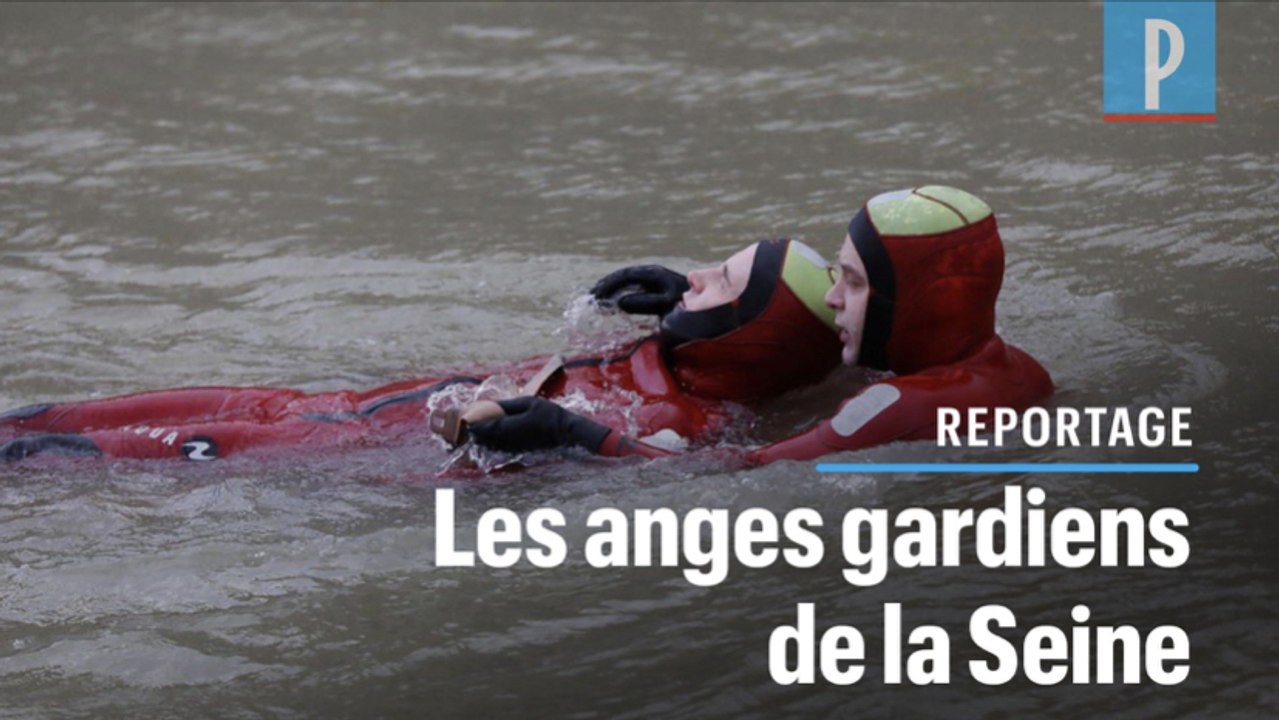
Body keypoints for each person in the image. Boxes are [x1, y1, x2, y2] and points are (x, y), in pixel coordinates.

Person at [0, 238, 842, 462]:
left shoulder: (684, 420)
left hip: (336, 450)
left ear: (748, 332)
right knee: (56, 414)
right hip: (319, 406)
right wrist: (623, 303)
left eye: (715, 282)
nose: (688, 276)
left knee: (55, 452)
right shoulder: (654, 357)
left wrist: (574, 439)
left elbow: (660, 472)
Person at [465, 185, 1055, 464]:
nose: (831, 297)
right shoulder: (1016, 369)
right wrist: (699, 314)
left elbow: (726, 475)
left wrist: (574, 433)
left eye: (852, 282)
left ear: (916, 300)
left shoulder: (897, 402)